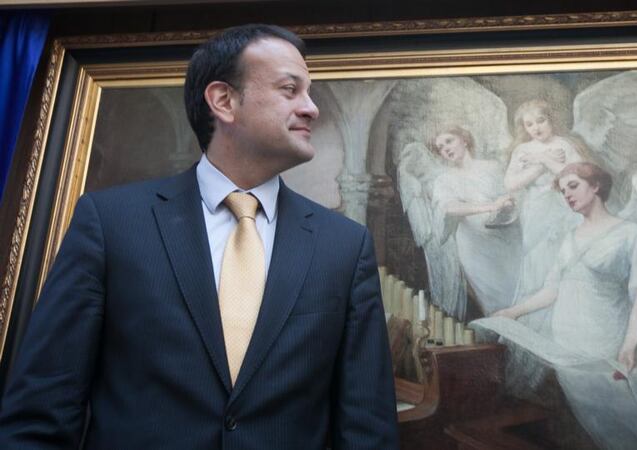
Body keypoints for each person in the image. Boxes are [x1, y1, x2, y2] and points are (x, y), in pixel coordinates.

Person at [0, 24, 399, 449]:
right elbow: (40, 413)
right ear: (223, 100)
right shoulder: (111, 224)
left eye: (310, 92)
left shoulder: (344, 246)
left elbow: (367, 431)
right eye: (290, 89)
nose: (311, 109)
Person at [484, 162, 637, 449]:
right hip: (567, 350)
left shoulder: (630, 233)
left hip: (607, 344)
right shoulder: (569, 238)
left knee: (632, 425)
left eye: (573, 186)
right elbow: (551, 290)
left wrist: (629, 346)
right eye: (563, 191)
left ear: (596, 186)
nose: (567, 194)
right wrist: (512, 312)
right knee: (599, 427)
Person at [426, 126, 522, 318]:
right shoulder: (444, 180)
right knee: (496, 302)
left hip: (507, 239)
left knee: (519, 292)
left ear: (464, 139)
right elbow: (450, 207)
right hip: (475, 247)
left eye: (449, 141)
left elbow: (512, 194)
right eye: (440, 148)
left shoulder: (493, 167)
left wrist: (507, 204)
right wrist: (490, 206)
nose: (445, 149)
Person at [504, 99, 584, 298]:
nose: (536, 128)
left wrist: (543, 158)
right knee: (537, 255)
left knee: (566, 253)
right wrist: (542, 164)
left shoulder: (564, 145)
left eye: (541, 121)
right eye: (529, 124)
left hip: (565, 207)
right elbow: (511, 184)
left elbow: (578, 177)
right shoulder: (522, 150)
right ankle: (538, 300)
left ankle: (567, 300)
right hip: (536, 209)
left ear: (550, 120)